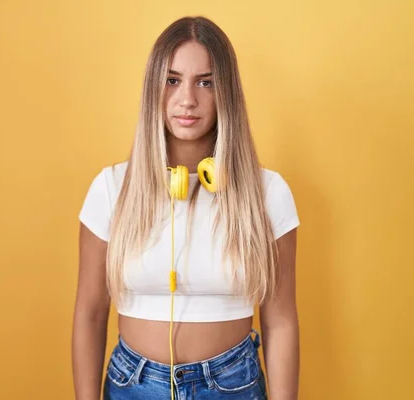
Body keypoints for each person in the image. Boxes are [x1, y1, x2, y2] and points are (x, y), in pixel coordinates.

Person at [72, 15, 300, 400]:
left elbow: (280, 321)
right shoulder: (111, 188)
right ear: (153, 89)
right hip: (132, 385)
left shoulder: (268, 193)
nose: (187, 99)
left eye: (205, 82)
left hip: (233, 385)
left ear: (225, 91)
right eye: (172, 80)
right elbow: (90, 313)